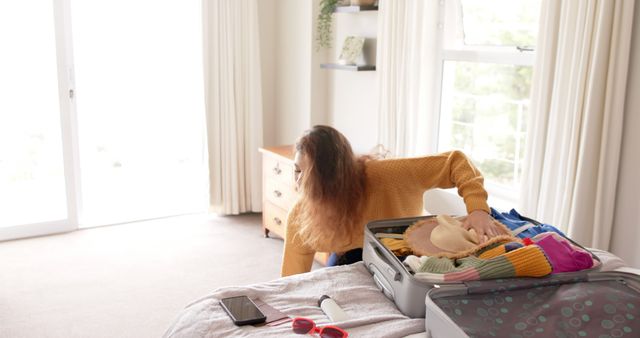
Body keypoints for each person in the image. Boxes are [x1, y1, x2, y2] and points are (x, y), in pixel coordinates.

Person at [281, 125, 504, 277]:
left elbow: (455, 161)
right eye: (296, 170)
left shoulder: (389, 175)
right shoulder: (301, 216)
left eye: (308, 175)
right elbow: (291, 279)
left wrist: (478, 210)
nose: (299, 182)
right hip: (352, 259)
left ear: (335, 175)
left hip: (409, 249)